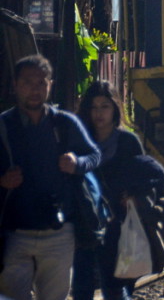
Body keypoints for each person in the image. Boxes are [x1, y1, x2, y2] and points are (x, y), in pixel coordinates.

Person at [0, 55, 101, 300]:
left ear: (50, 85)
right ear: (15, 85)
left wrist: (77, 163)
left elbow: (94, 154)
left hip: (59, 232)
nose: (35, 89)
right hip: (14, 234)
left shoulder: (65, 123)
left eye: (41, 83)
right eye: (27, 82)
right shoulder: (3, 125)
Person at [72, 81, 146, 300]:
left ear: (115, 108)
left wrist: (133, 196)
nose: (99, 113)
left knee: (116, 283)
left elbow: (143, 176)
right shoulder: (78, 140)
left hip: (119, 224)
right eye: (94, 107)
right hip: (84, 221)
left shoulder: (128, 141)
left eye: (104, 106)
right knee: (82, 281)